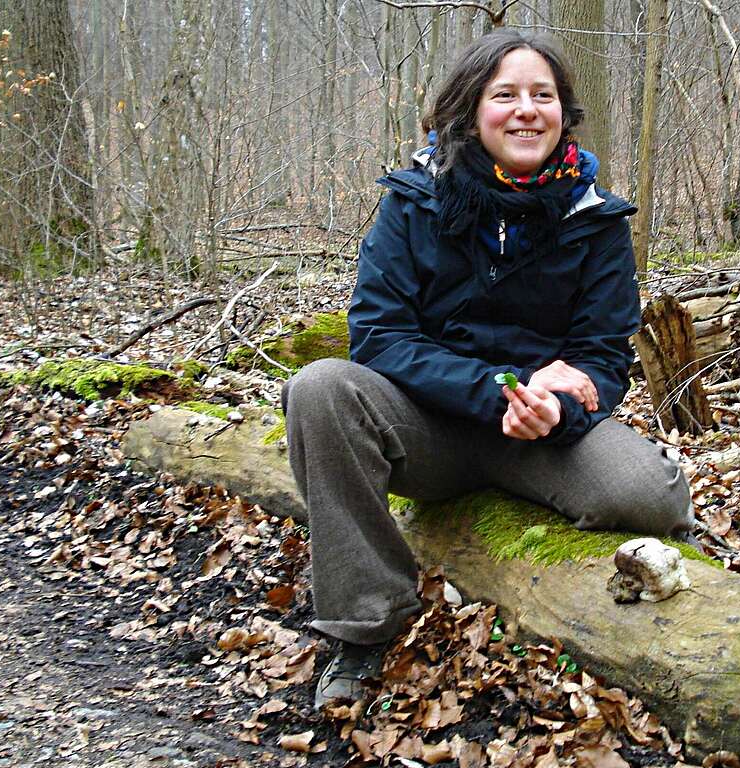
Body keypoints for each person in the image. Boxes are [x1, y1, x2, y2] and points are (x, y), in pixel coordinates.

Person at [281, 28, 697, 710]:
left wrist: (561, 406)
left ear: (564, 112)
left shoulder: (597, 221)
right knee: (320, 388)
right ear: (473, 111)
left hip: (541, 435)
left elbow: (603, 357)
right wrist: (495, 390)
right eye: (506, 95)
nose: (526, 109)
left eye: (544, 95)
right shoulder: (414, 201)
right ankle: (363, 629)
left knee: (648, 495)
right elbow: (379, 337)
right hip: (430, 427)